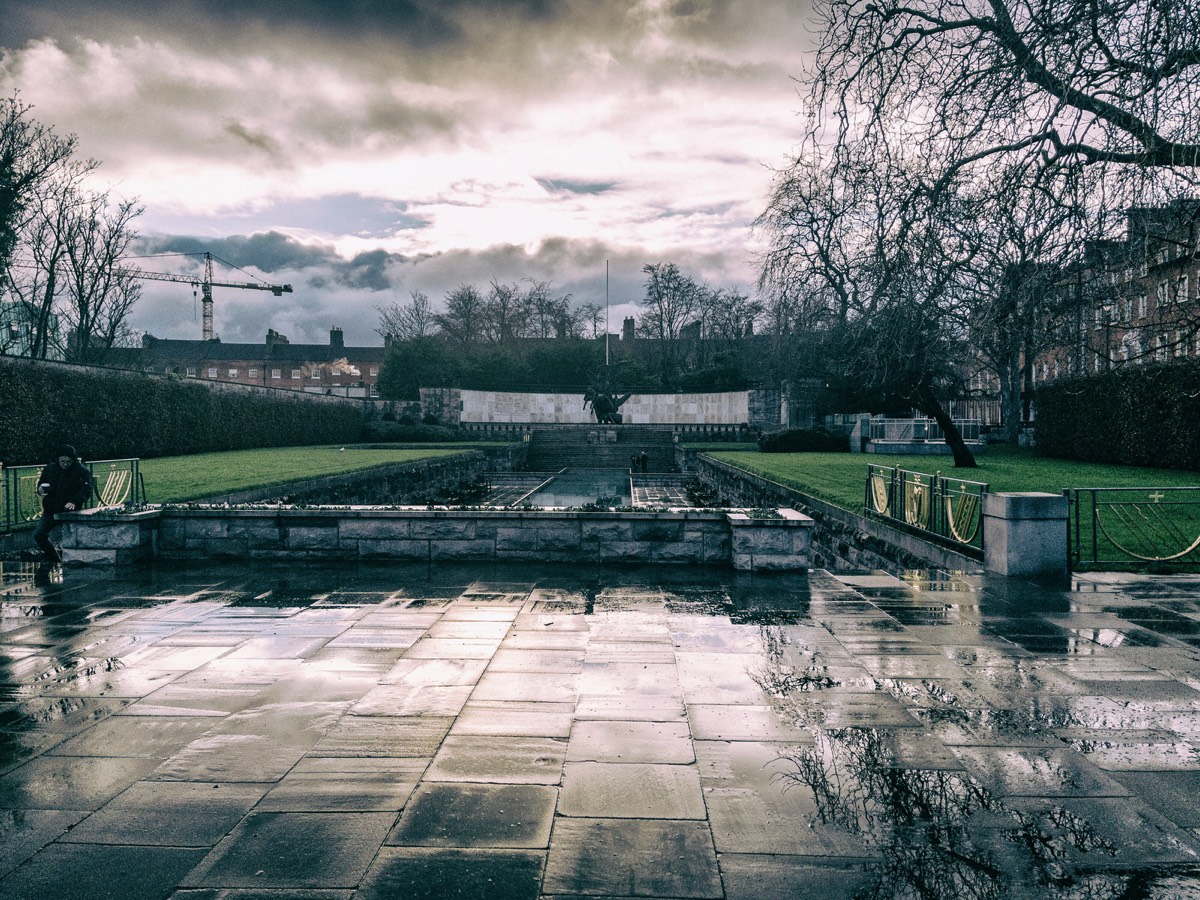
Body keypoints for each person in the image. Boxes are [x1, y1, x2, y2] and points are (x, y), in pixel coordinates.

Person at [30, 444, 92, 564]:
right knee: (39, 534)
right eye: (62, 461)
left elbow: (86, 489)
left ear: (73, 460)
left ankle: (73, 560)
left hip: (70, 509)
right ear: (58, 460)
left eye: (68, 462)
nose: (64, 464)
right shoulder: (50, 469)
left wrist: (75, 501)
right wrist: (40, 490)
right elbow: (42, 483)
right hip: (51, 508)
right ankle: (54, 558)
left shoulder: (81, 471)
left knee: (73, 538)